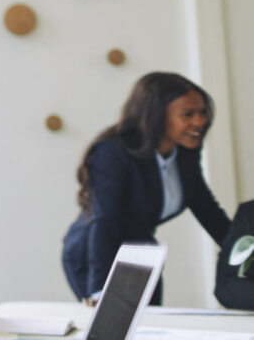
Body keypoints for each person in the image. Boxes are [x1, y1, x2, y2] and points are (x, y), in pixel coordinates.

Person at [62, 72, 232, 305]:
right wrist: (99, 290)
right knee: (114, 333)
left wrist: (244, 252)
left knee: (148, 328)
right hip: (95, 254)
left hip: (141, 250)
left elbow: (205, 207)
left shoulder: (184, 150)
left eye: (202, 112)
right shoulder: (113, 152)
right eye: (188, 114)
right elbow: (105, 223)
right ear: (157, 117)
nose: (200, 122)